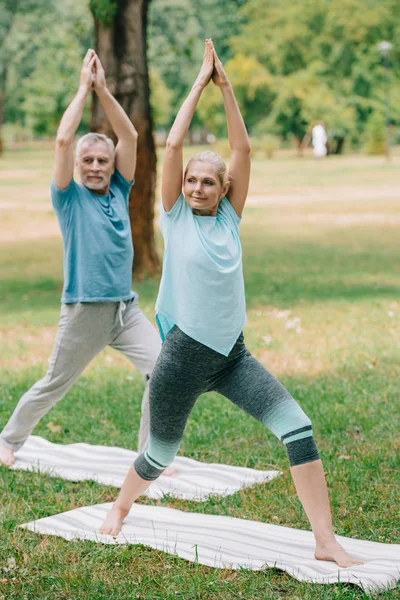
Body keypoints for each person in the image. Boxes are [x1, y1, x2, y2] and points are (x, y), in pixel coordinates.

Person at [99, 40, 362, 569]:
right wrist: (198, 84)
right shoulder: (174, 215)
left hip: (233, 357)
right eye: (192, 181)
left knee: (299, 427)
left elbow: (242, 152)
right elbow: (171, 148)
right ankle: (120, 506)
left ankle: (325, 540)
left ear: (224, 190)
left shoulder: (228, 219)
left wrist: (228, 90)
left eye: (207, 182)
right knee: (160, 456)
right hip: (180, 362)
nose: (196, 188)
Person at [0, 49, 161, 467]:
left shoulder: (120, 191)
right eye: (87, 161)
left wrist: (104, 91)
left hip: (124, 310)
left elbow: (130, 138)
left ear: (112, 167)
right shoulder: (67, 198)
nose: (94, 167)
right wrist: (81, 90)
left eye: (102, 161)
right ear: (76, 165)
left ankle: (149, 456)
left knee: (162, 371)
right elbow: (61, 139)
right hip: (84, 309)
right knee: (54, 383)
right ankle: (9, 440)